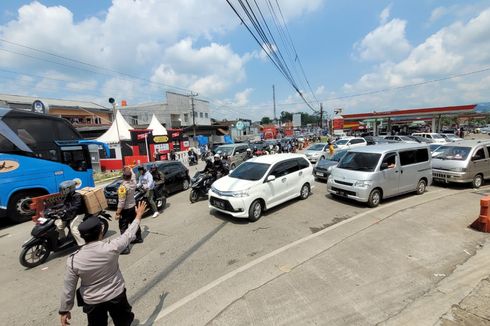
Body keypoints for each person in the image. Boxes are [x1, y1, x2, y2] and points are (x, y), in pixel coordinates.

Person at [59, 201, 147, 326]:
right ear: (101, 231)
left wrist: (64, 310)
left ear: (82, 236)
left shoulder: (73, 260)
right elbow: (128, 234)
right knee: (124, 322)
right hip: (116, 295)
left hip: (93, 302)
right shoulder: (112, 247)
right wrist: (138, 216)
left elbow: (68, 288)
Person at [115, 167, 141, 255]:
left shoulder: (122, 187)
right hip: (133, 206)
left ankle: (125, 248)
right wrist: (130, 169)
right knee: (135, 223)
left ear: (123, 176)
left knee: (123, 228)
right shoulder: (133, 182)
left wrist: (118, 213)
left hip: (125, 210)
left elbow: (121, 202)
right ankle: (138, 238)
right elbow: (133, 175)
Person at [55, 180, 85, 246]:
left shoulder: (77, 195)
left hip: (79, 213)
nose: (63, 191)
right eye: (62, 190)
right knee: (59, 226)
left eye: (65, 190)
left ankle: (82, 244)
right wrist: (54, 208)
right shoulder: (67, 196)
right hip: (70, 214)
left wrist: (66, 210)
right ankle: (63, 239)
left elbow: (77, 206)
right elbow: (63, 204)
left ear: (71, 188)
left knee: (73, 229)